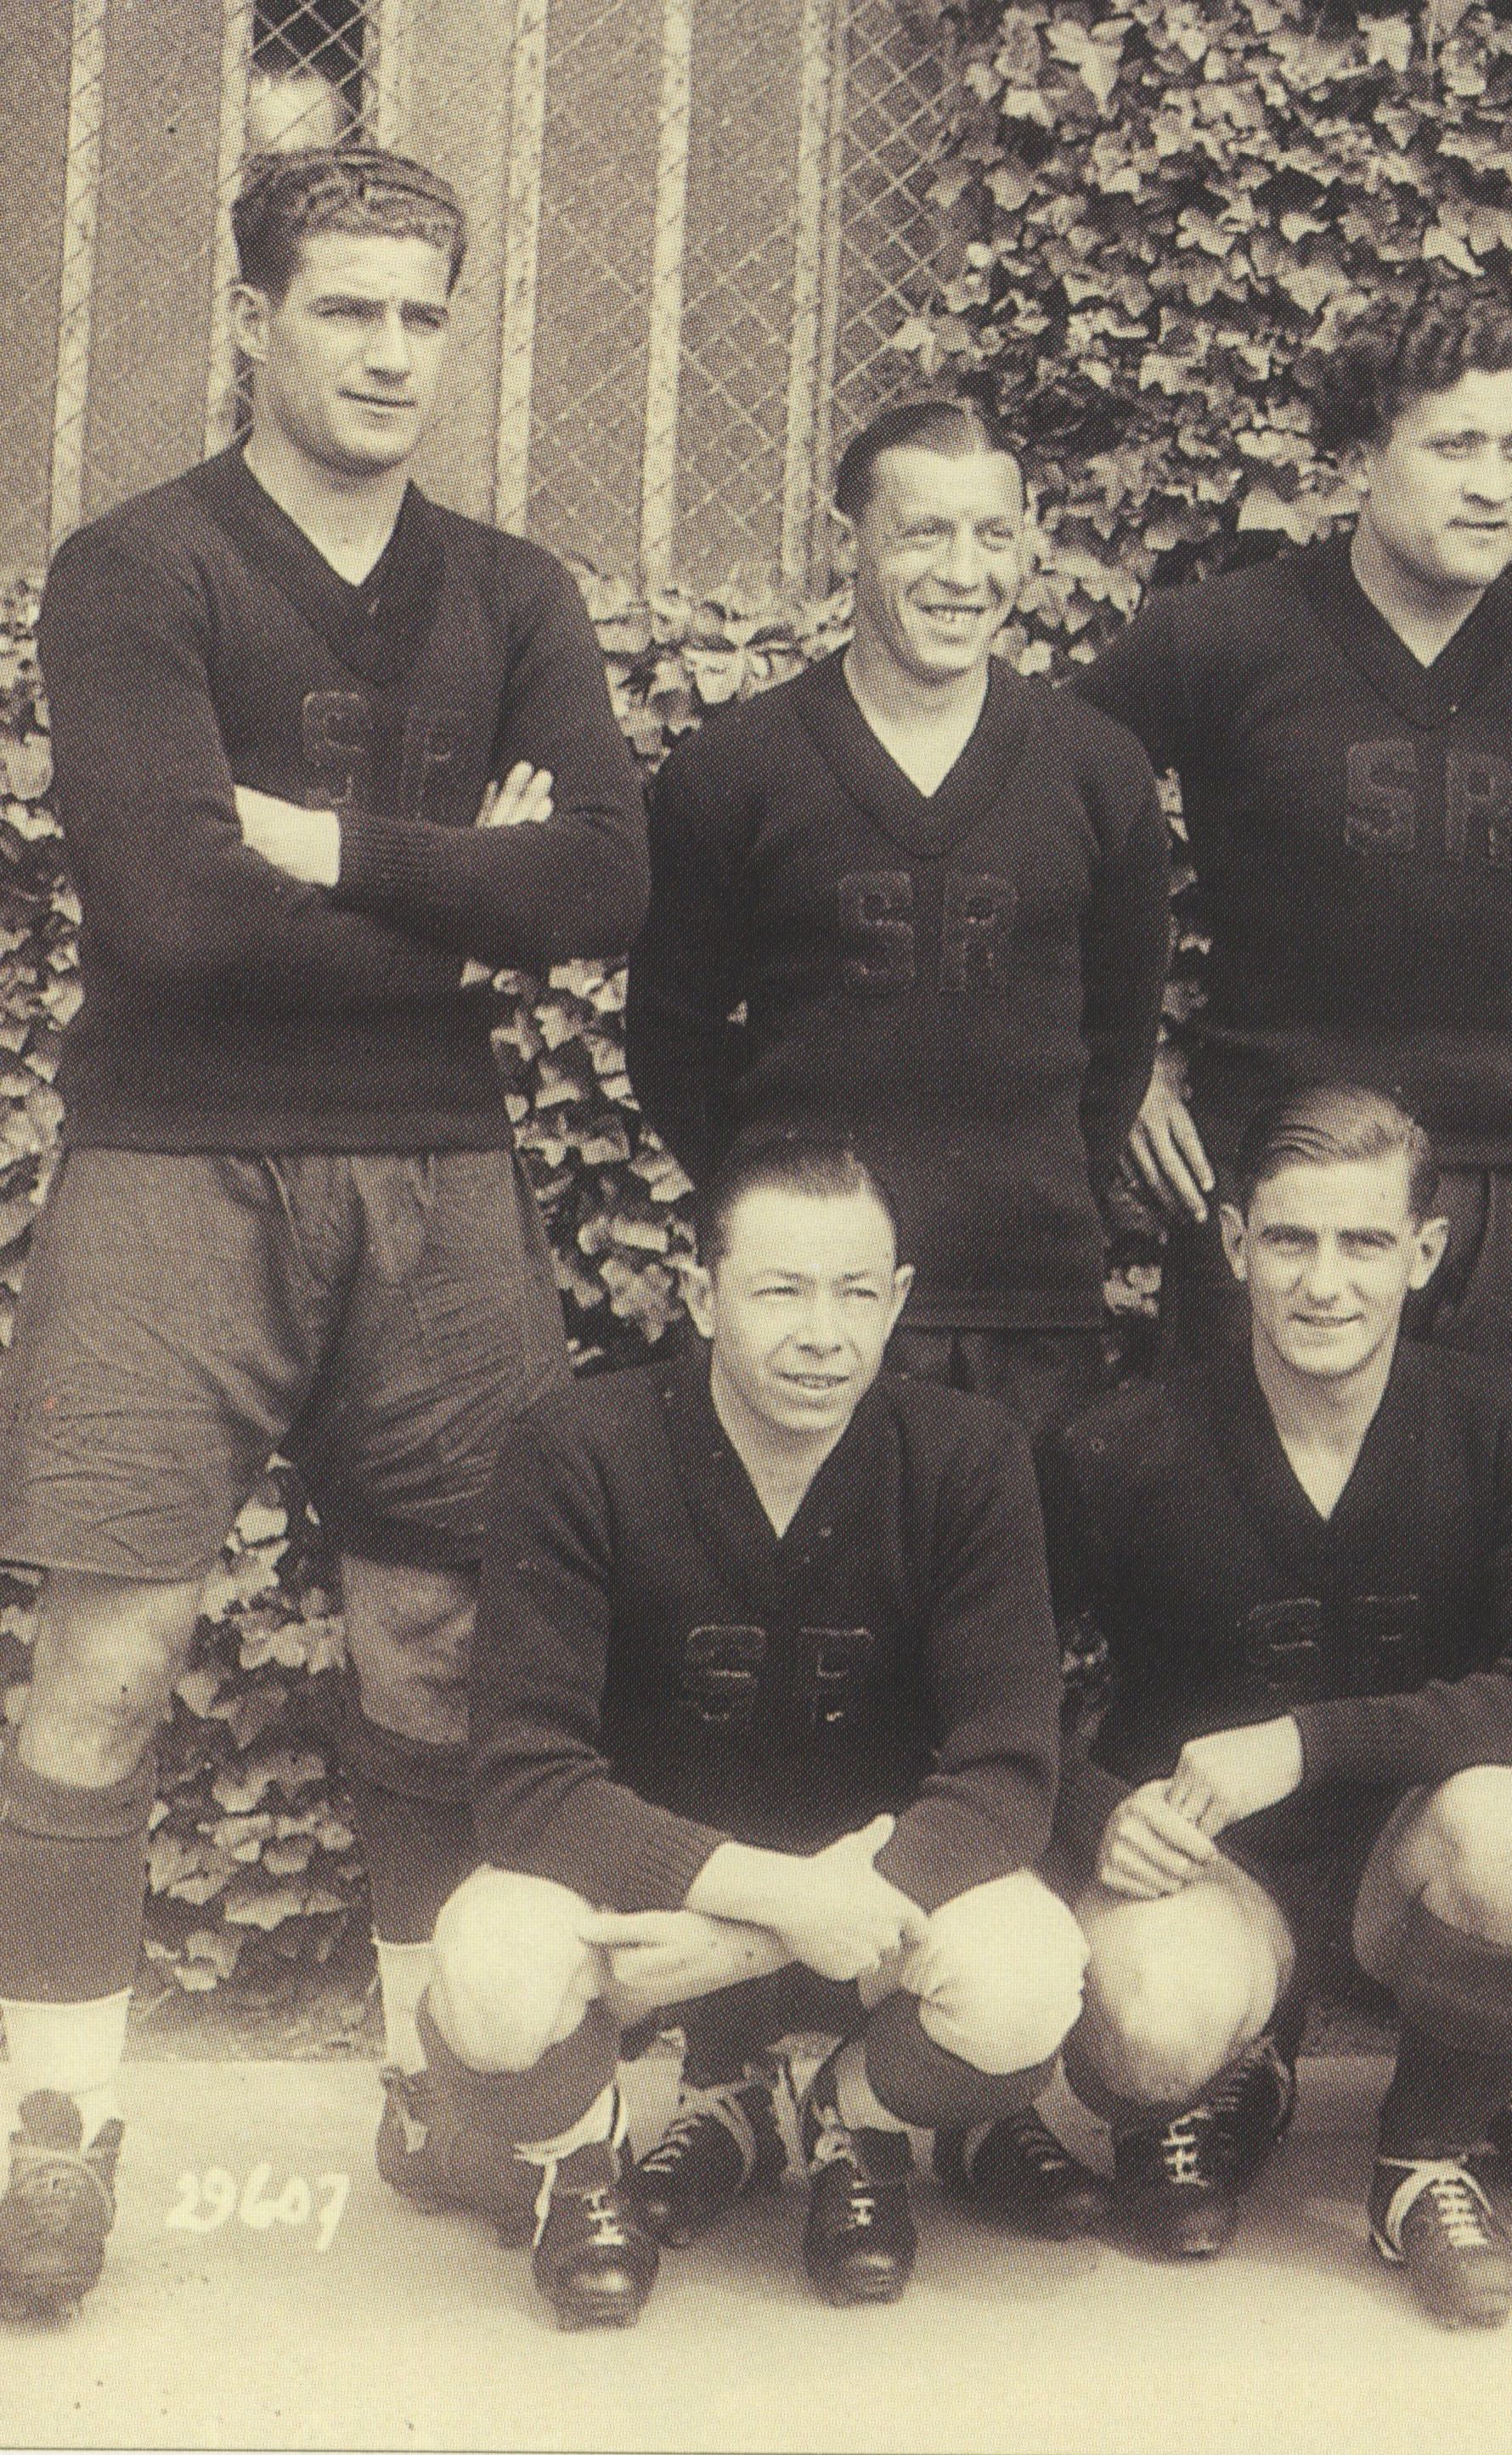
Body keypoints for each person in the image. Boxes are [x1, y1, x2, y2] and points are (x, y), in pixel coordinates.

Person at [0, 145, 648, 2319]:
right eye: (347, 308)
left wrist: (310, 837)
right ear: (255, 320)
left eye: (423, 314)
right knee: (104, 1660)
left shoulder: (515, 589)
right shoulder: (135, 568)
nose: (390, 351)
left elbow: (603, 893)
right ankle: (57, 2123)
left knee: (444, 1655)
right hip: (173, 1162)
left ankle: (433, 2077)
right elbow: (171, 914)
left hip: (436, 1172)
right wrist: (456, 873)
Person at [422, 1140, 1083, 2325]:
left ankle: (852, 2119)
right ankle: (582, 2162)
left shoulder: (966, 1456)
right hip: (644, 1890)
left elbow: (1006, 1772)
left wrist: (762, 1935)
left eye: (855, 1291)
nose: (822, 1332)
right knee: (490, 1977)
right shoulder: (579, 1447)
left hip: (858, 1899)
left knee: (1028, 1978)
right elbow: (528, 1779)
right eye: (781, 1289)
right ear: (701, 1292)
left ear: (900, 1300)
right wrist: (772, 1897)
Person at [1024, 1086, 1512, 2329]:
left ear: (1424, 1251)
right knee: (1144, 2029)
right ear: (1236, 1243)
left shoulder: (1507, 1422)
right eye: (1290, 1240)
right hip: (1209, 1871)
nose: (1324, 1281)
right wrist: (1094, 1807)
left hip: (1405, 1864)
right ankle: (1232, 2077)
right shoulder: (1123, 1447)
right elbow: (987, 1687)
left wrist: (1303, 1742)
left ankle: (1423, 2163)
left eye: (1362, 1243)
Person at [1075, 281, 1512, 1376]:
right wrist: (1124, 1067)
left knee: (1501, 1516)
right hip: (1274, 1174)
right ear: (1366, 449)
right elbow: (1046, 815)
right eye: (1456, 446)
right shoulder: (1219, 638)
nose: (1495, 486)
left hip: (1502, 1181)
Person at [629, 398, 1170, 1440]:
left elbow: (1120, 1039)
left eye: (994, 534)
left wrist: (1035, 1187)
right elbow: (670, 1041)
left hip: (1031, 1312)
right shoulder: (735, 771)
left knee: (1022, 1601)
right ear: (851, 543)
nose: (965, 573)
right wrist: (787, 1214)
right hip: (816, 1312)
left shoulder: (1098, 770)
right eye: (925, 532)